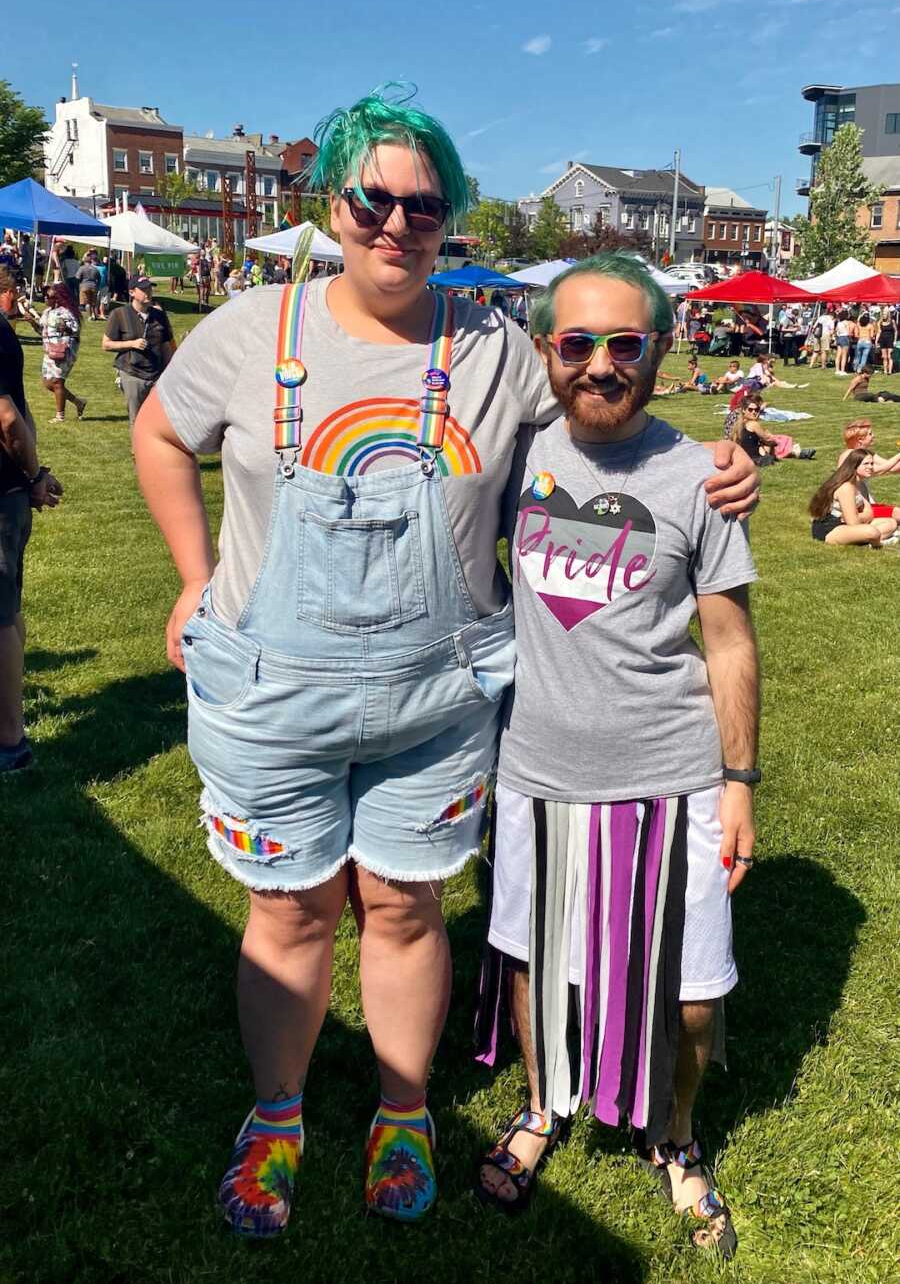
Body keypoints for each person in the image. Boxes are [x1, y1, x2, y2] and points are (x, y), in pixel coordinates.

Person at [132, 89, 758, 1241]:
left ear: (446, 219)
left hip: (437, 697)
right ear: (335, 202)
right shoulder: (254, 330)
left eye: (425, 203)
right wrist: (192, 569)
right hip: (273, 693)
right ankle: (277, 1117)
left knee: (404, 909)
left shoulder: (492, 351)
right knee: (289, 914)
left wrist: (711, 462)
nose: (397, 222)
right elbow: (160, 432)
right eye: (374, 196)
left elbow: (595, 414)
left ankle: (404, 1111)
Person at [474, 254, 759, 1263]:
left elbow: (729, 641)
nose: (600, 364)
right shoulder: (507, 455)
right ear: (546, 350)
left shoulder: (700, 476)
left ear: (661, 351)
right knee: (534, 964)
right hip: (538, 769)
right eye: (577, 343)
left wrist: (739, 784)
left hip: (673, 774)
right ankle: (547, 1100)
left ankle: (675, 1134)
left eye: (624, 343)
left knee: (692, 992)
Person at [0, 271, 63, 773]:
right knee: (8, 608)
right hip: (13, 490)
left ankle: (10, 742)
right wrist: (34, 475)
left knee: (1, 615)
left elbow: (6, 418)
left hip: (3, 493)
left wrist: (33, 472)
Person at [102, 277, 175, 426]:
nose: (148, 292)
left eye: (150, 289)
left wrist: (170, 373)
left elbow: (166, 346)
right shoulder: (119, 314)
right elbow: (106, 344)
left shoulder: (159, 315)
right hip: (132, 373)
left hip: (157, 374)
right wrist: (132, 344)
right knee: (137, 420)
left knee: (159, 419)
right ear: (132, 292)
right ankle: (137, 449)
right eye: (144, 289)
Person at [808, 452, 897, 547]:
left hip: (846, 524)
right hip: (831, 528)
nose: (870, 467)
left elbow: (869, 513)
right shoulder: (846, 487)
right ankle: (877, 544)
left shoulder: (857, 484)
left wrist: (857, 516)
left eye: (872, 463)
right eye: (866, 464)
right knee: (872, 532)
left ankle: (869, 540)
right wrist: (859, 517)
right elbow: (853, 523)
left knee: (891, 522)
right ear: (854, 466)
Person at [40, 283, 87, 424]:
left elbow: (74, 330)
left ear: (57, 297)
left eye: (48, 296)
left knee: (57, 381)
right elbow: (41, 332)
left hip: (63, 349)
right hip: (49, 350)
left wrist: (65, 328)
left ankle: (60, 416)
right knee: (48, 383)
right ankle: (78, 402)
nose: (45, 298)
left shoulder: (66, 312)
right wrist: (32, 322)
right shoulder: (47, 312)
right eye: (45, 296)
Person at [837, 419, 900, 523]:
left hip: (864, 503)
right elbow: (880, 470)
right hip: (853, 506)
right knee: (896, 516)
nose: (873, 436)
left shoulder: (866, 454)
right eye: (870, 434)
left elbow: (891, 467)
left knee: (896, 514)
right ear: (860, 439)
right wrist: (898, 456)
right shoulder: (850, 455)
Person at [726, 393, 815, 464]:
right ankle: (796, 452)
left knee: (770, 441)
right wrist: (773, 440)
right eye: (750, 410)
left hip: (744, 456)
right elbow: (767, 439)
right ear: (744, 410)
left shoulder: (739, 423)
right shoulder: (753, 424)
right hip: (755, 458)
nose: (754, 412)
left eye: (757, 410)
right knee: (775, 441)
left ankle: (796, 452)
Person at [75, 254, 101, 321]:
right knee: (93, 302)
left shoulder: (82, 268)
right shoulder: (95, 269)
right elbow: (99, 278)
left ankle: (90, 316)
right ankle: (95, 315)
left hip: (84, 286)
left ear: (84, 261)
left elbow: (77, 277)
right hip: (94, 286)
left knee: (87, 303)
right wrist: (97, 285)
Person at [877, 311, 896, 376]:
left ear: (888, 315)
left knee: (889, 356)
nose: (884, 315)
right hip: (882, 340)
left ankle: (890, 371)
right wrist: (876, 341)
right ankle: (885, 370)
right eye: (883, 314)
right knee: (884, 357)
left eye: (885, 314)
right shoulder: (880, 322)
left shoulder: (892, 321)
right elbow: (879, 332)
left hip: (890, 340)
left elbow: (895, 331)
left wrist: (895, 340)